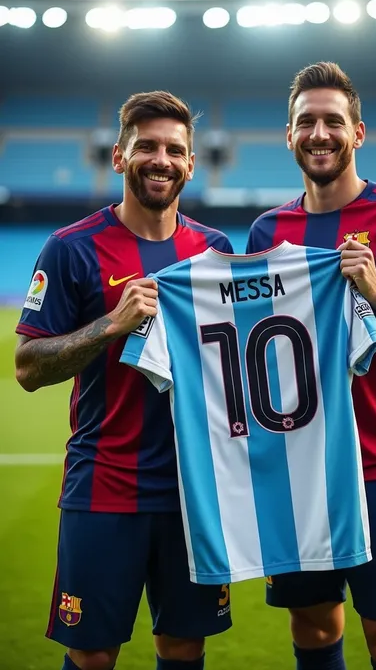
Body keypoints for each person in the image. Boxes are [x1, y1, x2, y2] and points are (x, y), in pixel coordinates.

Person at [246, 62, 376, 670]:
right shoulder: (267, 230)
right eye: (306, 123)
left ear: (359, 132)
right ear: (289, 136)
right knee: (313, 629)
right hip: (296, 471)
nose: (320, 134)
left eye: (333, 122)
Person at [15, 91, 233, 670]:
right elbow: (28, 367)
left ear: (191, 163)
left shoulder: (216, 250)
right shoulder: (69, 248)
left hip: (196, 495)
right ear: (119, 156)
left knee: (184, 647)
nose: (161, 159)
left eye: (174, 150)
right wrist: (111, 325)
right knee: (92, 655)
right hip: (105, 485)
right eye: (147, 147)